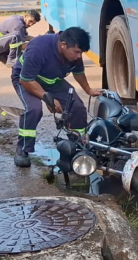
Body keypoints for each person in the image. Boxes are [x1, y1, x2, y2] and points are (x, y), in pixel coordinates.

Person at [11, 27, 101, 168]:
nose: (79, 56)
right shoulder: (38, 48)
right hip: (26, 79)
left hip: (52, 80)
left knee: (77, 107)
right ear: (63, 45)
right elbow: (26, 80)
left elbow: (78, 72)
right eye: (77, 52)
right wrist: (47, 97)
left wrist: (88, 90)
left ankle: (77, 144)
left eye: (81, 53)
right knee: (34, 109)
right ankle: (23, 149)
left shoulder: (74, 51)